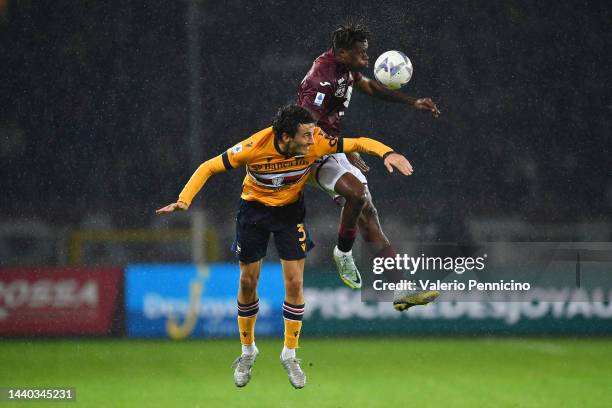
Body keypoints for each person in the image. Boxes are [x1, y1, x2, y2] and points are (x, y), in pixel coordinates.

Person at [157, 105, 413, 389]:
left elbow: (359, 142)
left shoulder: (315, 143)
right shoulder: (253, 147)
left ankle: (290, 354)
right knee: (247, 282)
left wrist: (388, 153)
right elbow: (209, 166)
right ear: (285, 136)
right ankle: (247, 351)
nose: (311, 140)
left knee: (294, 282)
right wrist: (185, 199)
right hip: (253, 213)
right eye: (304, 135)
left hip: (289, 214)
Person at [298, 22, 441, 311]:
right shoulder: (319, 80)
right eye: (361, 53)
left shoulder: (345, 67)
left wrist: (412, 102)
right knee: (354, 195)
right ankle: (342, 252)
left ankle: (401, 290)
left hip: (329, 148)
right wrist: (343, 147)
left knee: (366, 208)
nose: (367, 58)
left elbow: (370, 87)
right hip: (304, 154)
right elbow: (306, 131)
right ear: (342, 52)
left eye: (366, 52)